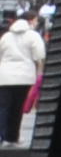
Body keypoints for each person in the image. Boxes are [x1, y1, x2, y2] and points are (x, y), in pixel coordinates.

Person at [0, 8, 43, 143]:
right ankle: (12, 136)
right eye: (35, 20)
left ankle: (1, 134)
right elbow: (39, 54)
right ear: (30, 21)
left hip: (5, 76)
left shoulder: (6, 36)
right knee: (17, 107)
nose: (36, 23)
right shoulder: (33, 36)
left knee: (3, 106)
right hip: (24, 76)